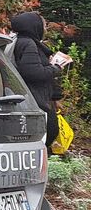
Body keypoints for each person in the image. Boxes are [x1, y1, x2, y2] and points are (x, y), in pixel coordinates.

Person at [10, 11, 72, 148]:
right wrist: (56, 68)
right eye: (43, 26)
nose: (45, 29)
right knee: (47, 132)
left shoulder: (20, 41)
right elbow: (33, 73)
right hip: (35, 100)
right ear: (34, 27)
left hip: (34, 98)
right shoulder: (29, 44)